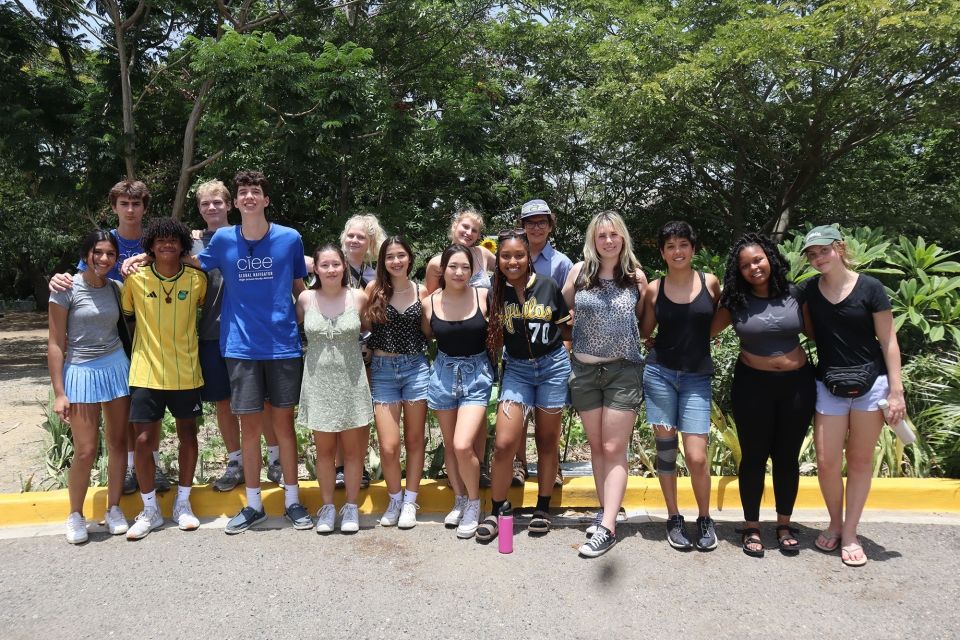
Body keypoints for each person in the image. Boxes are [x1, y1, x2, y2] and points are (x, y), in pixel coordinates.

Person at [192, 170, 313, 534]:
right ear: (238, 200)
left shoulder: (289, 238)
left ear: (265, 200)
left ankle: (292, 501)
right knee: (249, 429)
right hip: (241, 348)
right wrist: (145, 259)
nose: (248, 197)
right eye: (242, 192)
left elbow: (299, 287)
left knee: (284, 427)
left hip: (282, 346)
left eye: (254, 192)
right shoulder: (225, 240)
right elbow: (193, 263)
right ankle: (255, 504)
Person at [48, 180, 167, 496]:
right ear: (114, 207)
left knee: (147, 405)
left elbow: (182, 253)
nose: (130, 210)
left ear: (144, 208)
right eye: (124, 204)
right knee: (122, 413)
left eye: (136, 204)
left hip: (153, 329)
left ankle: (151, 463)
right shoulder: (103, 244)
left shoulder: (154, 240)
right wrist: (57, 279)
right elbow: (78, 281)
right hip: (114, 334)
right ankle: (130, 468)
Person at [800, 225, 905, 567]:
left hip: (871, 385)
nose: (819, 258)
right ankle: (834, 521)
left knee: (859, 462)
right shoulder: (808, 291)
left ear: (840, 248)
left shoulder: (871, 288)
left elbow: (889, 341)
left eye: (824, 250)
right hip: (828, 385)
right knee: (828, 462)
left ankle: (850, 532)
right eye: (812, 254)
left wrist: (896, 391)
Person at [711, 233, 816, 557]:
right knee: (754, 457)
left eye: (758, 259)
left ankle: (784, 524)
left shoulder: (796, 294)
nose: (754, 267)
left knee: (787, 457)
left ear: (769, 258)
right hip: (752, 386)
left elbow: (818, 333)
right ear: (738, 271)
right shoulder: (734, 301)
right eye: (745, 265)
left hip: (797, 386)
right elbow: (704, 330)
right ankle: (752, 526)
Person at [477, 229, 571, 543]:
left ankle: (542, 508)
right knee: (504, 443)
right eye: (506, 256)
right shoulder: (495, 292)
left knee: (546, 441)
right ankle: (498, 509)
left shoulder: (547, 286)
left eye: (519, 255)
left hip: (552, 368)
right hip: (516, 370)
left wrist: (566, 355)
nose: (513, 261)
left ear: (528, 257)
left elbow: (565, 328)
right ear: (498, 260)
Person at [562, 211, 646, 557]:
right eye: (601, 236)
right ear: (592, 240)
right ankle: (605, 512)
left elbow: (642, 321)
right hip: (584, 372)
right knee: (597, 448)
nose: (608, 241)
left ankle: (608, 526)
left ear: (622, 237)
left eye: (613, 234)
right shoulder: (579, 273)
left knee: (614, 448)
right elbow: (566, 310)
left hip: (622, 371)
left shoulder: (635, 277)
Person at [191, 180, 282, 492]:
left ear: (229, 205)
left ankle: (275, 458)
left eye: (218, 202)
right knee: (224, 403)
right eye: (205, 203)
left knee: (265, 400)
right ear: (199, 209)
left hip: (251, 334)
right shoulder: (191, 245)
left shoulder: (248, 235)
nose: (212, 208)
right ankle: (235, 462)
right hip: (211, 334)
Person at [120, 218, 207, 540]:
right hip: (146, 371)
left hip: (186, 372)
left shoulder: (197, 281)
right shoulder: (135, 279)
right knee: (143, 441)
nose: (167, 245)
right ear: (151, 246)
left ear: (182, 245)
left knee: (188, 435)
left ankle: (183, 503)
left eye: (173, 240)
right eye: (160, 241)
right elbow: (128, 322)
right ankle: (150, 509)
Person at [640, 221, 721, 552]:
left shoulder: (711, 283)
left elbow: (719, 320)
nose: (677, 251)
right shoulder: (653, 290)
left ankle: (704, 517)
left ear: (693, 248)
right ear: (662, 252)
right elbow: (646, 331)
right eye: (670, 246)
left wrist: (699, 341)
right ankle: (674, 517)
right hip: (660, 374)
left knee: (698, 456)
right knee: (667, 452)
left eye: (683, 244)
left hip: (697, 376)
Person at [48, 230, 131, 543]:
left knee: (118, 443)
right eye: (98, 252)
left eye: (110, 253)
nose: (104, 259)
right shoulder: (66, 289)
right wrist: (59, 392)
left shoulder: (116, 288)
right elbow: (56, 343)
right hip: (80, 371)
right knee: (85, 450)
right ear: (86, 254)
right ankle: (75, 514)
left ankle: (113, 508)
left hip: (116, 369)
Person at [296, 244, 373, 534]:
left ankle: (351, 506)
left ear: (344, 266)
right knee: (325, 452)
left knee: (353, 453)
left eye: (336, 264)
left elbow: (366, 329)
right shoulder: (305, 299)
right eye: (324, 265)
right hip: (318, 383)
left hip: (351, 380)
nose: (330, 270)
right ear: (315, 268)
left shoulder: (359, 297)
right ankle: (327, 507)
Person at [422, 244, 493, 538]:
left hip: (477, 375)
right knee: (451, 445)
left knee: (464, 445)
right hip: (443, 375)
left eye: (465, 267)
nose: (459, 272)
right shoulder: (430, 303)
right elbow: (428, 335)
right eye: (453, 266)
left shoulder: (483, 296)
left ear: (472, 270)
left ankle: (474, 503)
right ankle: (460, 499)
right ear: (443, 269)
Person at [364, 237, 429, 529]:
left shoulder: (422, 290)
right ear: (383, 261)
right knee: (389, 446)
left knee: (415, 440)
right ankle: (394, 498)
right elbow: (364, 329)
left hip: (415, 368)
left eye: (401, 255)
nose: (396, 261)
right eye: (390, 257)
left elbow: (428, 331)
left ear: (410, 258)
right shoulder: (373, 290)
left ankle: (410, 500)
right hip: (383, 370)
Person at [512, 199, 574, 488]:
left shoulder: (561, 263)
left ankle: (553, 465)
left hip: (551, 351)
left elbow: (569, 309)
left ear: (550, 225)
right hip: (517, 349)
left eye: (541, 222)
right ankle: (519, 463)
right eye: (529, 222)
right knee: (519, 411)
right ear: (521, 226)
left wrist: (566, 345)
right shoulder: (510, 258)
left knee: (549, 412)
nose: (535, 228)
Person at [332, 213, 385, 489]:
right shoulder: (331, 268)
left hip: (371, 352)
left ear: (371, 242)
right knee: (342, 412)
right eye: (350, 235)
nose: (354, 240)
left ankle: (359, 466)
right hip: (338, 352)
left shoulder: (377, 273)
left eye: (361, 237)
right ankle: (341, 467)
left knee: (363, 413)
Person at [424, 208, 496, 293]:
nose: (469, 233)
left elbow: (506, 269)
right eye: (465, 227)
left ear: (478, 236)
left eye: (474, 230)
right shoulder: (437, 263)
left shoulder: (482, 253)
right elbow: (430, 299)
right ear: (455, 226)